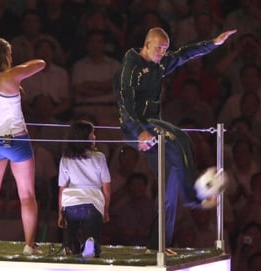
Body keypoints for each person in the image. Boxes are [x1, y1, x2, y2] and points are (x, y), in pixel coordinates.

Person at [113, 27, 236, 250]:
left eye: (164, 49)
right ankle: (192, 197)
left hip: (153, 123)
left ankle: (158, 244)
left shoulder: (159, 63)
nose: (162, 53)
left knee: (173, 173)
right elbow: (124, 103)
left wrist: (213, 43)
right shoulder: (130, 67)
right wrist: (139, 131)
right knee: (175, 138)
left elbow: (183, 54)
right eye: (158, 48)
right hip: (136, 126)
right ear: (146, 45)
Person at [0, 37, 46, 255]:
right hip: (17, 141)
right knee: (27, 195)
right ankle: (29, 245)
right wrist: (15, 68)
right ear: (5, 56)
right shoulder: (10, 76)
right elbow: (41, 63)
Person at [57, 120, 111, 258]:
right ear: (84, 136)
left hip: (71, 204)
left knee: (70, 233)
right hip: (93, 204)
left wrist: (60, 213)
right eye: (92, 134)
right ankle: (90, 244)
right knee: (92, 235)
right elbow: (106, 186)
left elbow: (62, 188)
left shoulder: (66, 158)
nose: (94, 137)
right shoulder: (99, 157)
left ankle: (68, 245)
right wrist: (105, 209)